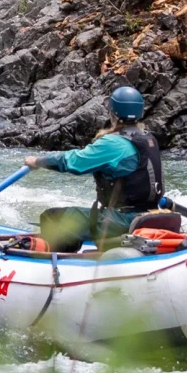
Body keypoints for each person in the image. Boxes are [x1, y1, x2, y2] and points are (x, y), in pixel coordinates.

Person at [22, 85, 164, 253]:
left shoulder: (113, 143)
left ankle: (59, 264)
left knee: (52, 217)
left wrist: (38, 161)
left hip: (121, 221)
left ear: (113, 114)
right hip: (150, 215)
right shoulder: (148, 138)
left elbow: (74, 162)